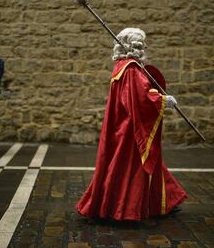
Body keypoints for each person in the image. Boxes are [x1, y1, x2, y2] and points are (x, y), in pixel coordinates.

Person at [77, 28, 187, 221]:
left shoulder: (123, 67)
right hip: (129, 129)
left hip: (122, 125)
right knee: (132, 168)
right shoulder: (131, 69)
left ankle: (164, 202)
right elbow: (140, 99)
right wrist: (163, 101)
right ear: (135, 46)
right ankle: (123, 209)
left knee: (149, 163)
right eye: (143, 43)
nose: (146, 46)